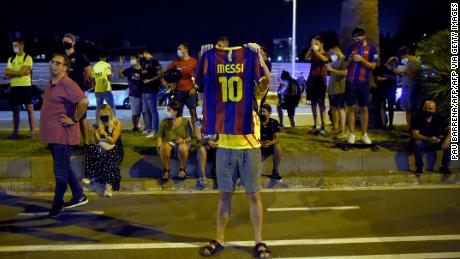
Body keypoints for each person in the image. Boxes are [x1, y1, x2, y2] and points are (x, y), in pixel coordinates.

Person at [196, 43, 272, 258]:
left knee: (254, 196)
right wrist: (203, 56)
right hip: (226, 147)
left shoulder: (254, 90)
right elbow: (201, 84)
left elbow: (268, 80)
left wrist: (259, 56)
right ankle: (219, 238)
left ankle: (259, 241)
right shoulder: (219, 87)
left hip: (250, 147)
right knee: (224, 195)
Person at [40, 53, 89, 218]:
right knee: (65, 167)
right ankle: (79, 195)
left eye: (58, 63)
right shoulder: (50, 83)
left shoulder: (67, 83)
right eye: (52, 61)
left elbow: (84, 101)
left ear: (65, 68)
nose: (54, 64)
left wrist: (74, 119)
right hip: (53, 136)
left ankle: (57, 204)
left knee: (60, 173)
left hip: (63, 136)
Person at [344, 27, 377, 144]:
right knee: (351, 108)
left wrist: (361, 59)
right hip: (351, 82)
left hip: (364, 82)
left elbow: (373, 66)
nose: (356, 39)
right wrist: (350, 60)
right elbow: (344, 65)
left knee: (364, 108)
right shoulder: (350, 48)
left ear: (364, 35)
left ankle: (364, 134)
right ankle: (351, 134)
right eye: (354, 37)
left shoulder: (372, 49)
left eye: (358, 36)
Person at [83, 104, 124, 197]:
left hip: (115, 148)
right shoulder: (96, 124)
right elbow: (96, 142)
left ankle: (108, 186)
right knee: (91, 148)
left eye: (105, 114)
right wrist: (96, 134)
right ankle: (89, 175)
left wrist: (104, 134)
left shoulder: (116, 123)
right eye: (101, 114)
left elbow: (113, 141)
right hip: (102, 147)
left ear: (110, 113)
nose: (103, 116)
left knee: (108, 155)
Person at [63, 33, 93, 145]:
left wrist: (85, 80)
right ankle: (69, 141)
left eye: (68, 40)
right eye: (64, 40)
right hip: (64, 91)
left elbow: (89, 71)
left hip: (78, 90)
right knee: (67, 116)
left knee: (82, 116)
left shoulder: (80, 56)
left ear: (73, 42)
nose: (65, 42)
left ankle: (85, 142)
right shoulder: (62, 57)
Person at [156, 100, 193, 182]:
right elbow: (159, 136)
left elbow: (190, 137)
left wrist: (183, 140)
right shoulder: (165, 121)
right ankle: (166, 170)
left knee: (182, 147)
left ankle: (182, 169)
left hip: (182, 143)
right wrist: (159, 146)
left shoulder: (184, 121)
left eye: (169, 110)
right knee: (164, 147)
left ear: (176, 112)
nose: (167, 111)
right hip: (169, 143)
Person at [5, 38, 35, 139]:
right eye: (13, 46)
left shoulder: (28, 57)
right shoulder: (11, 59)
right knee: (15, 110)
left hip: (26, 86)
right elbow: (7, 72)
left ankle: (32, 133)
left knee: (29, 109)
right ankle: (15, 133)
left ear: (21, 46)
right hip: (14, 87)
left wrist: (13, 73)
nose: (14, 48)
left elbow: (22, 72)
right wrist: (20, 72)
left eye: (16, 45)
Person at [411, 101, 451, 176]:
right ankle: (419, 166)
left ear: (434, 109)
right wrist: (428, 139)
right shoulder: (418, 118)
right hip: (423, 142)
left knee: (453, 141)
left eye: (430, 108)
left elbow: (450, 129)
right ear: (423, 108)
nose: (427, 110)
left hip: (435, 142)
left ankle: (445, 166)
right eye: (426, 108)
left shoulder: (438, 117)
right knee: (416, 143)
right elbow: (415, 134)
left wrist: (447, 139)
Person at [165, 43, 198, 127]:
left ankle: (197, 133)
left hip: (190, 91)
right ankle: (180, 133)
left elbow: (198, 77)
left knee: (193, 113)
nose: (178, 51)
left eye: (180, 49)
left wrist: (194, 88)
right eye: (178, 49)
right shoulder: (176, 62)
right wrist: (167, 82)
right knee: (178, 113)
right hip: (178, 91)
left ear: (186, 49)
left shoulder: (194, 62)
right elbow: (164, 71)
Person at [305, 36, 329, 136]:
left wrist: (317, 51)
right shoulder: (313, 53)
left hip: (321, 82)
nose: (315, 45)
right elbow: (306, 58)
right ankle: (316, 125)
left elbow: (324, 59)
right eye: (314, 43)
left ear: (321, 44)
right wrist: (311, 48)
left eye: (317, 43)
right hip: (312, 81)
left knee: (321, 104)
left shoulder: (325, 53)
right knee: (313, 104)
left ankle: (323, 125)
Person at [325, 46, 348, 138]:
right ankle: (335, 128)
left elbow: (345, 73)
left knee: (340, 109)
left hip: (340, 89)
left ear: (337, 52)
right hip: (332, 90)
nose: (331, 56)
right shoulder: (336, 61)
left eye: (332, 54)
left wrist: (332, 70)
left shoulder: (344, 60)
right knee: (333, 109)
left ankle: (343, 130)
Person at [397, 47, 421, 131]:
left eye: (402, 57)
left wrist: (402, 72)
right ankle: (408, 127)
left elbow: (413, 74)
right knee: (407, 108)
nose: (402, 59)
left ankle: (414, 127)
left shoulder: (415, 62)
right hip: (406, 87)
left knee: (412, 108)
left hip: (412, 88)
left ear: (406, 55)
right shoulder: (408, 62)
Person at [119, 54, 144, 133]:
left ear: (137, 59)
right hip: (133, 94)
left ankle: (144, 128)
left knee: (142, 112)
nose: (132, 60)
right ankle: (135, 128)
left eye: (133, 58)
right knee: (135, 113)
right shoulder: (129, 70)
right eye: (130, 59)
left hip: (144, 94)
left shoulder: (143, 69)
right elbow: (120, 76)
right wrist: (120, 66)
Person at [140, 48, 162, 138]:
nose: (143, 56)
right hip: (144, 90)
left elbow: (160, 74)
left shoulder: (154, 61)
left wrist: (150, 80)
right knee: (146, 111)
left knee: (153, 111)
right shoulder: (145, 62)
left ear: (146, 53)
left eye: (143, 54)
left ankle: (155, 130)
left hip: (152, 89)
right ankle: (148, 129)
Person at [374, 56, 399, 129]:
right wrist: (388, 78)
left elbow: (396, 79)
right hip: (383, 89)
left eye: (395, 63)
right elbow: (378, 79)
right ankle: (383, 124)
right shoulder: (382, 68)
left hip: (392, 90)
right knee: (382, 106)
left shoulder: (395, 70)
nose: (394, 64)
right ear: (389, 61)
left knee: (391, 107)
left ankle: (391, 124)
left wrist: (394, 76)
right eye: (393, 62)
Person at [260, 103, 282, 180]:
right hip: (258, 147)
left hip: (269, 146)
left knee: (277, 146)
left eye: (264, 111)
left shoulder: (274, 122)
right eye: (261, 112)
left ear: (269, 113)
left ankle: (275, 171)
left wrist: (270, 143)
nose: (262, 114)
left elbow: (277, 138)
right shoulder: (256, 123)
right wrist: (261, 143)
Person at [195, 118, 218, 188]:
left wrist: (217, 143)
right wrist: (207, 141)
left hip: (215, 144)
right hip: (203, 144)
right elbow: (198, 138)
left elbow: (222, 136)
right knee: (201, 149)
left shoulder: (218, 120)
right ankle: (202, 176)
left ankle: (219, 177)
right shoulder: (199, 122)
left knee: (221, 150)